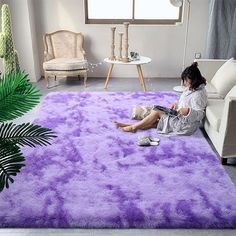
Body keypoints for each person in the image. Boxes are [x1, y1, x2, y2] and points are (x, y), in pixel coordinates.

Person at [113, 62, 207, 135]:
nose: (185, 83)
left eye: (186, 81)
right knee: (157, 113)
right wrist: (177, 104)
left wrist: (188, 111)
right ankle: (132, 126)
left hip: (186, 125)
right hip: (180, 117)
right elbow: (185, 102)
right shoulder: (192, 88)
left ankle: (133, 128)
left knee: (156, 112)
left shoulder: (198, 94)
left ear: (194, 80)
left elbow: (200, 115)